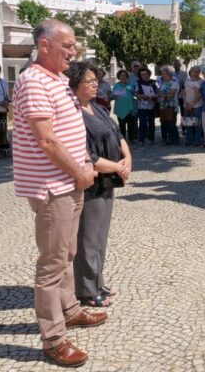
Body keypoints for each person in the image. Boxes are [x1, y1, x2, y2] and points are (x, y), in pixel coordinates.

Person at [12, 19, 103, 367]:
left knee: (67, 252)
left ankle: (70, 310)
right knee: (52, 264)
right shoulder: (34, 81)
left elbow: (69, 130)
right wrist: (80, 171)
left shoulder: (58, 79)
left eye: (73, 45)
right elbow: (47, 140)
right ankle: (53, 339)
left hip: (69, 183)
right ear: (44, 45)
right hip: (52, 187)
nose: (73, 51)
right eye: (67, 45)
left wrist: (85, 165)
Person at [67, 61, 131, 309]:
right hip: (91, 182)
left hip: (108, 180)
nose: (96, 85)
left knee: (100, 236)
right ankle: (85, 289)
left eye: (96, 80)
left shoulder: (97, 108)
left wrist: (127, 158)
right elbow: (85, 155)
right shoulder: (73, 113)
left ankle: (97, 281)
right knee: (88, 237)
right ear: (75, 84)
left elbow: (118, 134)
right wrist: (117, 166)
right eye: (90, 81)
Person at [135, 66, 158, 146]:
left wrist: (154, 96)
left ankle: (151, 139)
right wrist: (143, 96)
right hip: (141, 106)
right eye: (142, 74)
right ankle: (141, 139)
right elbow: (136, 94)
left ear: (148, 74)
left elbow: (159, 92)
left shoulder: (154, 82)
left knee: (151, 123)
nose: (144, 76)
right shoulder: (138, 82)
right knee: (142, 123)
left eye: (145, 74)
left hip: (151, 106)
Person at [111, 70, 136, 140]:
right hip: (120, 108)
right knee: (122, 126)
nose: (123, 77)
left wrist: (133, 92)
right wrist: (114, 96)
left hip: (130, 108)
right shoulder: (116, 85)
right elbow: (113, 96)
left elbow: (135, 94)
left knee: (131, 126)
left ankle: (131, 139)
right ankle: (123, 140)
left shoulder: (131, 85)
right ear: (119, 77)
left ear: (127, 76)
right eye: (121, 75)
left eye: (125, 75)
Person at [158, 67, 180, 145]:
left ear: (169, 74)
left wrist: (162, 94)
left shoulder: (174, 83)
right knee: (164, 123)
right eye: (162, 74)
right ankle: (167, 139)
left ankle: (175, 139)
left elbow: (171, 95)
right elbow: (160, 93)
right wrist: (163, 94)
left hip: (172, 106)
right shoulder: (162, 83)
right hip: (163, 106)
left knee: (172, 123)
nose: (162, 75)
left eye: (163, 74)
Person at [183, 66, 203, 146]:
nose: (195, 73)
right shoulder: (187, 80)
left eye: (197, 71)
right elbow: (184, 92)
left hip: (197, 105)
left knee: (197, 123)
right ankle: (188, 140)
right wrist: (185, 103)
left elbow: (199, 96)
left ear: (199, 72)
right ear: (190, 72)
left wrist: (191, 104)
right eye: (193, 71)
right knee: (187, 123)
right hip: (187, 105)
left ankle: (197, 141)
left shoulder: (202, 82)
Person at [173, 59, 188, 129]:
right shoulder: (171, 74)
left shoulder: (184, 74)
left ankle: (184, 129)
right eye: (175, 64)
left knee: (183, 113)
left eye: (177, 64)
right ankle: (174, 128)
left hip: (181, 96)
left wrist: (178, 89)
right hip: (174, 96)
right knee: (174, 113)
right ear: (173, 66)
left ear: (180, 65)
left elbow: (185, 84)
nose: (176, 66)